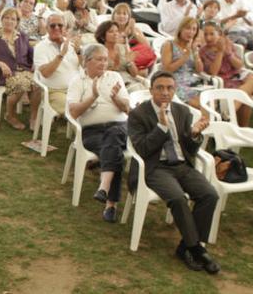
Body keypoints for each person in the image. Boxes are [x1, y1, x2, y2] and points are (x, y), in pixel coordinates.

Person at [127, 71, 219, 274]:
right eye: (160, 88)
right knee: (178, 198)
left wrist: (194, 135)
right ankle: (196, 249)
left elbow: (189, 148)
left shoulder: (182, 111)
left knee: (210, 194)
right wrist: (161, 126)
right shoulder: (138, 114)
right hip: (155, 167)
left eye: (169, 88)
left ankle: (186, 246)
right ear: (151, 90)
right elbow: (142, 149)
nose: (165, 92)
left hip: (181, 165)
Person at [67, 44, 129, 222]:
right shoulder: (77, 81)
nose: (104, 63)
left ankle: (104, 189)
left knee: (114, 134)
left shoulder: (114, 76)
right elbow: (73, 113)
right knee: (113, 150)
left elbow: (127, 109)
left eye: (105, 59)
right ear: (87, 61)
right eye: (99, 59)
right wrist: (92, 97)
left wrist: (115, 98)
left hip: (119, 127)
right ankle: (110, 203)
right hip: (92, 132)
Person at [0, 7, 36, 130]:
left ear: (17, 22)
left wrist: (34, 63)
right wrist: (1, 64)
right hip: (6, 73)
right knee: (22, 83)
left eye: (13, 19)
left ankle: (34, 117)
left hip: (24, 70)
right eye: (6, 18)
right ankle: (9, 115)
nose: (9, 21)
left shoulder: (22, 36)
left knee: (38, 85)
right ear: (1, 19)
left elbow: (30, 52)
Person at [199, 22, 253, 126]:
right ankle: (242, 128)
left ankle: (229, 112)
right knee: (246, 96)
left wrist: (229, 54)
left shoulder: (228, 43)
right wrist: (220, 52)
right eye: (205, 34)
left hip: (236, 78)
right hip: (222, 82)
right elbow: (213, 72)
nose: (208, 38)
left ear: (219, 34)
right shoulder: (203, 51)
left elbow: (239, 65)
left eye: (211, 34)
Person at [34, 12, 80, 121]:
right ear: (47, 28)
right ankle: (84, 136)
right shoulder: (41, 47)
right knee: (77, 111)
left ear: (65, 28)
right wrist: (61, 54)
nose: (56, 28)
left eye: (60, 25)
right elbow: (46, 73)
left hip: (76, 89)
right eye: (52, 25)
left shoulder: (72, 44)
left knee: (95, 106)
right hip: (54, 91)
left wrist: (79, 52)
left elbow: (84, 67)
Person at [161, 17, 205, 109]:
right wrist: (185, 56)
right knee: (201, 106)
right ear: (181, 29)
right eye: (188, 28)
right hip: (175, 82)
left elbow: (199, 70)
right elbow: (166, 70)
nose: (191, 32)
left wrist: (195, 52)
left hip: (193, 82)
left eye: (194, 29)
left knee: (212, 102)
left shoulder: (192, 47)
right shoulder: (169, 45)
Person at [95, 20, 145, 88]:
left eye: (117, 31)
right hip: (109, 83)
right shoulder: (98, 51)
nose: (115, 34)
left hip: (128, 81)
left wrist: (129, 62)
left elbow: (134, 74)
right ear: (102, 36)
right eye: (111, 31)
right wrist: (113, 68)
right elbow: (97, 74)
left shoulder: (123, 48)